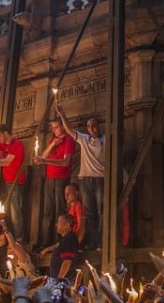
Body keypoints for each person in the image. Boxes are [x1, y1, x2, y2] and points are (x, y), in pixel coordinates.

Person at [56, 106, 104, 249]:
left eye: (94, 125)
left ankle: (101, 241)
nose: (91, 128)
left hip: (100, 177)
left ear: (98, 126)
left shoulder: (106, 140)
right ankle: (92, 241)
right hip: (86, 178)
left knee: (101, 210)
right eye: (89, 126)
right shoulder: (84, 139)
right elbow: (70, 131)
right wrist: (63, 115)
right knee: (89, 212)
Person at [34, 119, 75, 248]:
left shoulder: (68, 140)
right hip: (50, 178)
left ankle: (59, 241)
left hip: (61, 178)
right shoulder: (53, 140)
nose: (54, 130)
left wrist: (45, 161)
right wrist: (52, 145)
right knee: (48, 211)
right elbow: (44, 155)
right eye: (52, 128)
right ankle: (46, 242)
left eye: (56, 127)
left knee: (60, 210)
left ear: (63, 126)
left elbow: (65, 162)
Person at [46, 214, 78, 282]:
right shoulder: (65, 239)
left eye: (59, 222)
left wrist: (59, 280)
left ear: (67, 225)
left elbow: (67, 261)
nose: (56, 224)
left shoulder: (69, 239)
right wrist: (47, 249)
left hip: (64, 283)